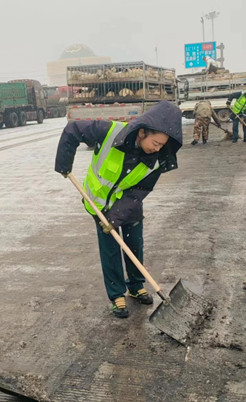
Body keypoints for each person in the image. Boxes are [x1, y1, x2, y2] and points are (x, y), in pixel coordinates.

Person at [54, 101, 182, 318]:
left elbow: (139, 190)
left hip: (129, 204)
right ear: (142, 132)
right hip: (99, 202)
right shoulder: (109, 132)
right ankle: (116, 295)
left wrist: (117, 217)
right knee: (110, 247)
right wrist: (64, 163)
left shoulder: (158, 160)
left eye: (162, 145)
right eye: (155, 142)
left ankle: (136, 286)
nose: (158, 148)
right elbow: (73, 129)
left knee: (134, 243)